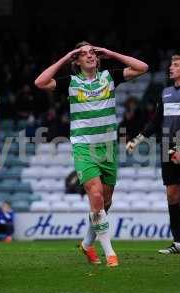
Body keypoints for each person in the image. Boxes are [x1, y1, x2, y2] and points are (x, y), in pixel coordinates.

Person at [35, 41, 148, 267]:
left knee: (105, 203)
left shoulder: (109, 77)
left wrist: (111, 52)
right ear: (77, 61)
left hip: (108, 148)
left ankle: (86, 244)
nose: (90, 56)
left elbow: (142, 67)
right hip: (84, 147)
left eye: (93, 53)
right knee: (95, 197)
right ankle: (110, 254)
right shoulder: (71, 82)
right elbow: (40, 82)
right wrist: (66, 57)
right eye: (84, 54)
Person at [126, 55, 180, 255]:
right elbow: (156, 121)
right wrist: (137, 139)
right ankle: (177, 243)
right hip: (166, 147)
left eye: (175, 65)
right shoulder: (165, 92)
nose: (171, 68)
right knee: (172, 196)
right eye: (171, 65)